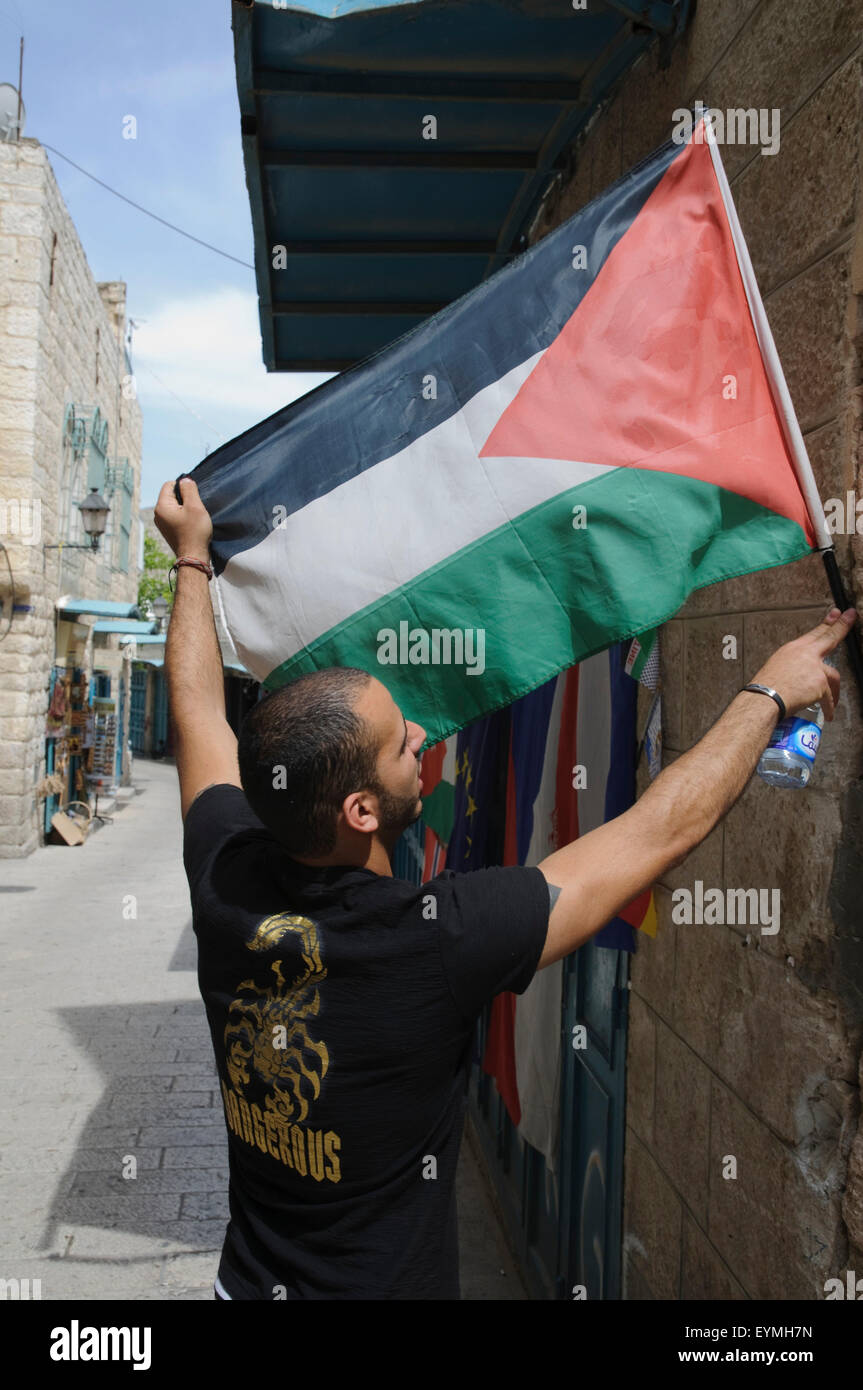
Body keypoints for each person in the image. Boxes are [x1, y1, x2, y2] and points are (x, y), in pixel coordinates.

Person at [155, 476, 856, 1301]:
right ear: (360, 809)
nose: (419, 735)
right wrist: (767, 692)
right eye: (396, 743)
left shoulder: (224, 871)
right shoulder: (435, 939)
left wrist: (191, 561)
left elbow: (198, 711)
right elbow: (658, 830)